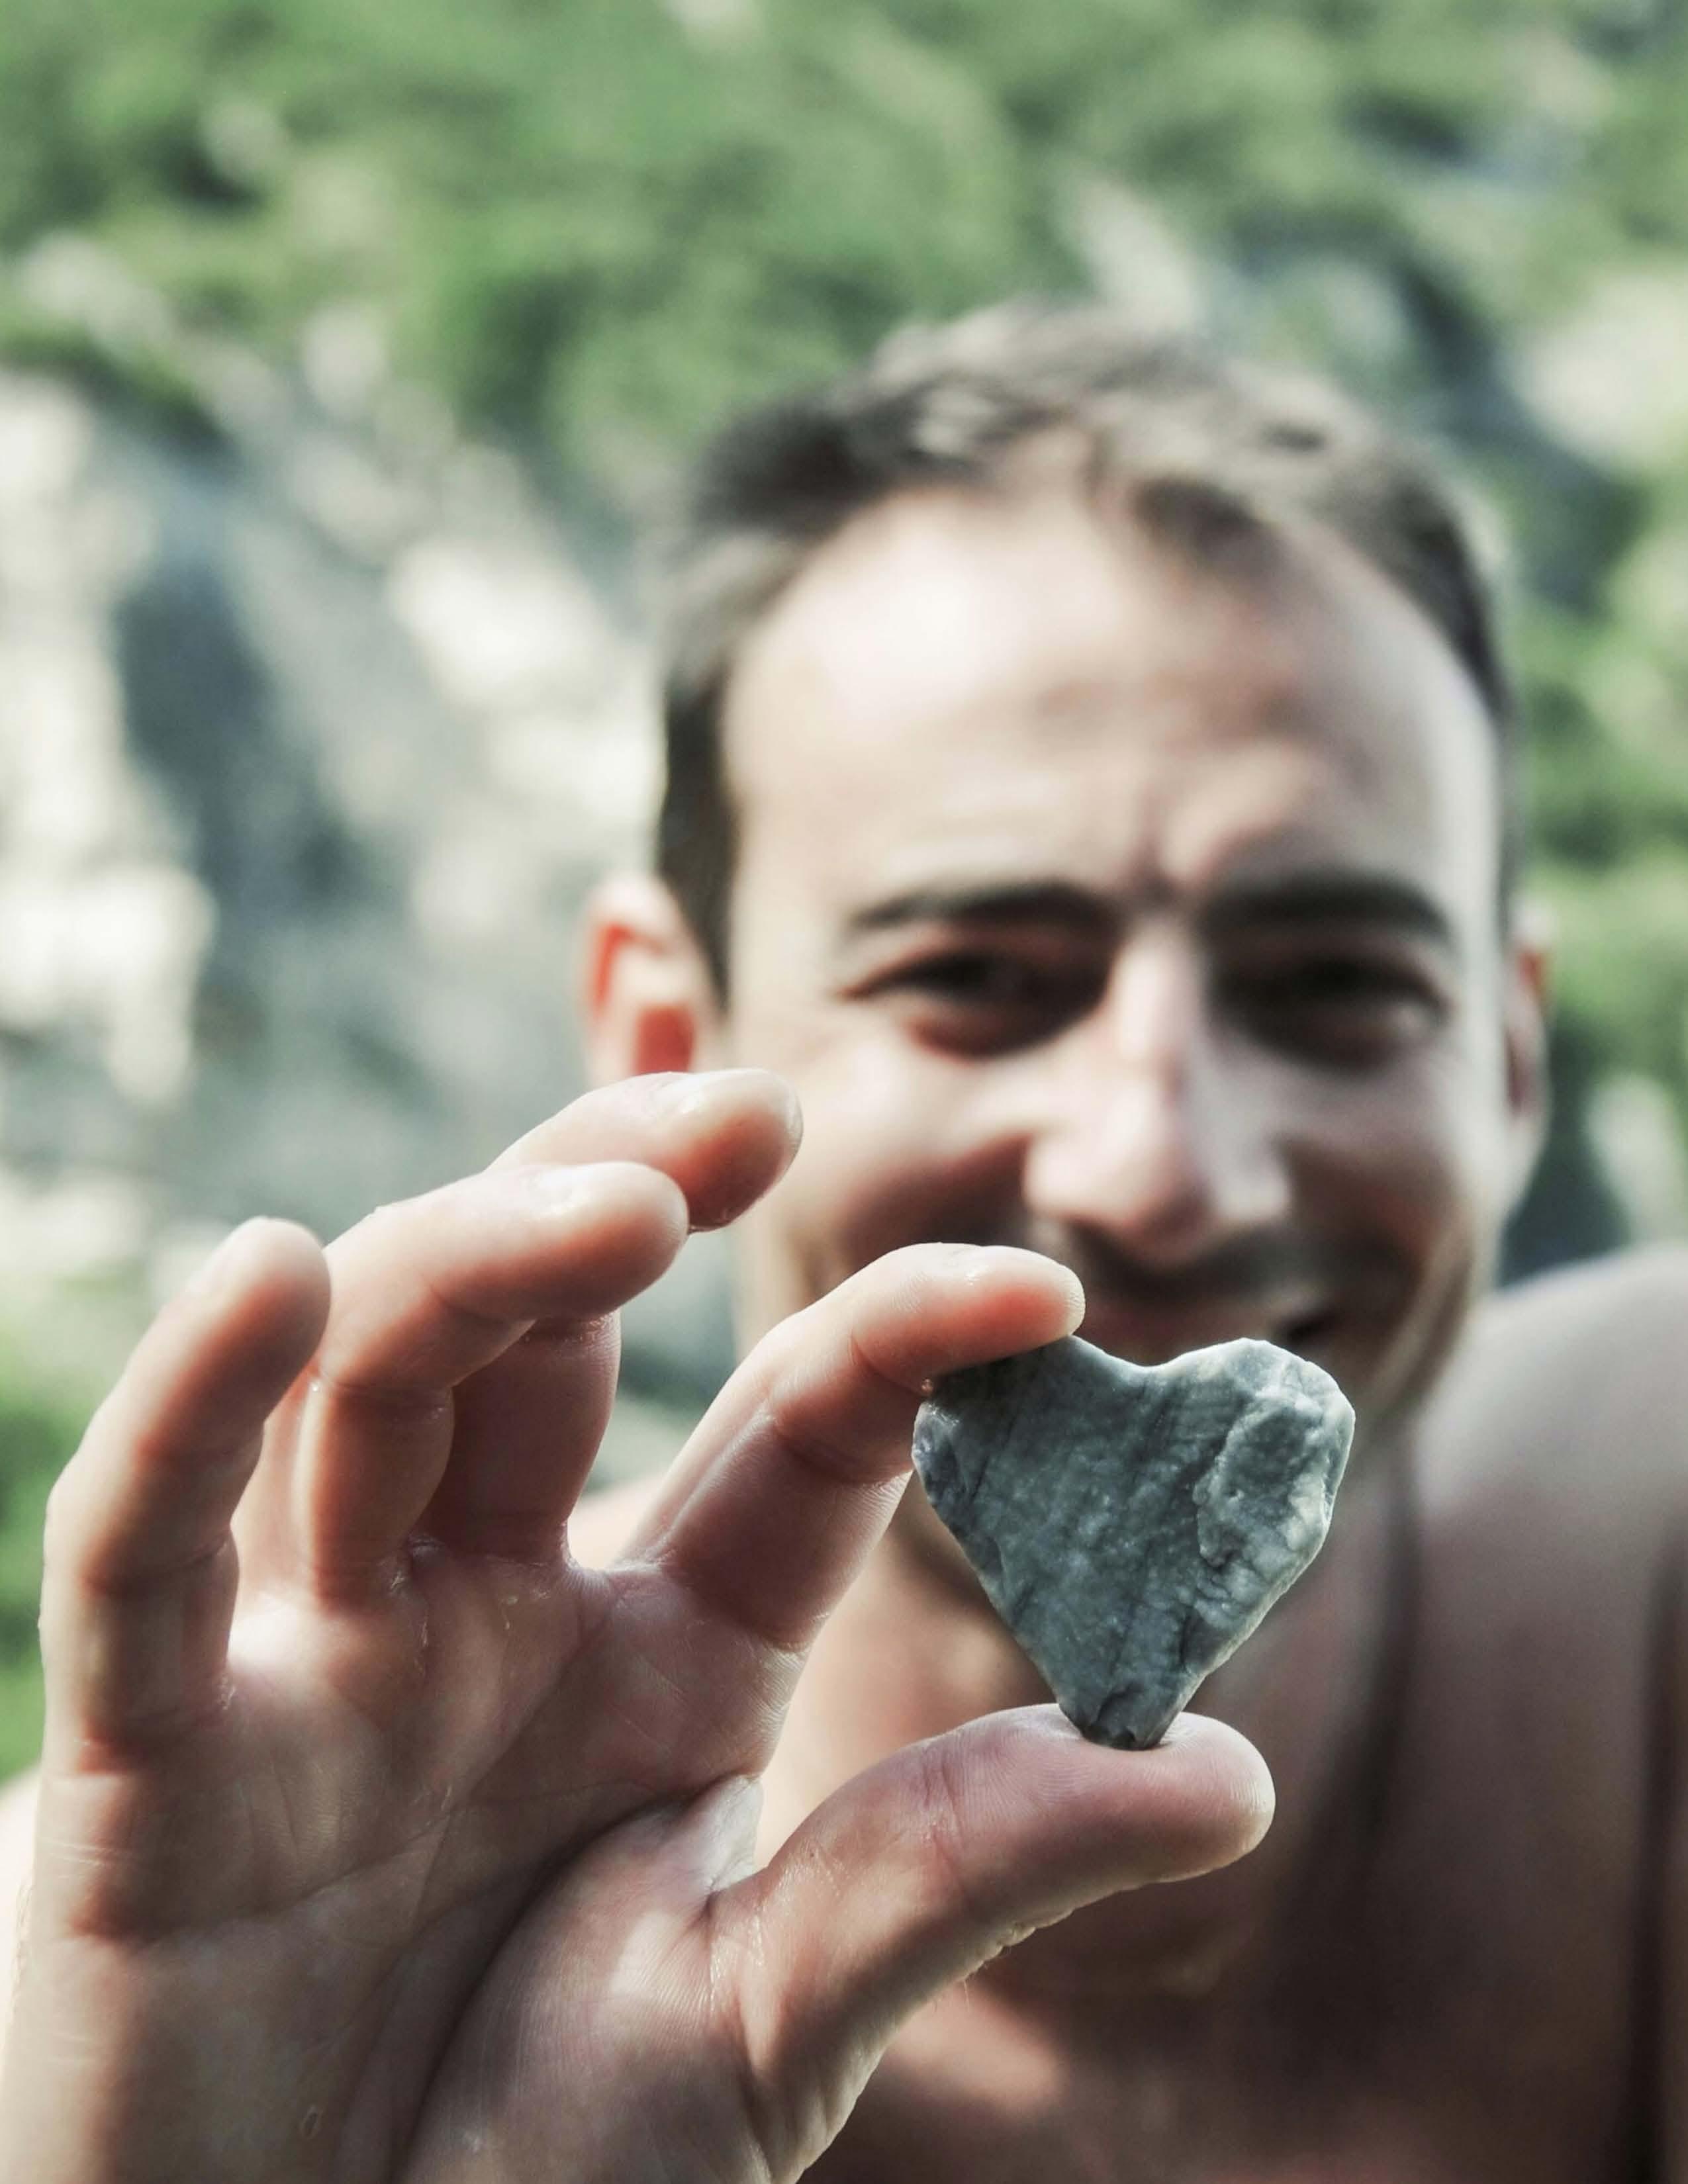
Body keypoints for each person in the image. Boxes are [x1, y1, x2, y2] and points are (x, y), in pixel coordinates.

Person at [1, 302, 1683, 2181]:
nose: (1160, 1170)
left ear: (1511, 1055)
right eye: (975, 974)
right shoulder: (148, 1935)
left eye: (1338, 985)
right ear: (668, 1033)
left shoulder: (1659, 1553)